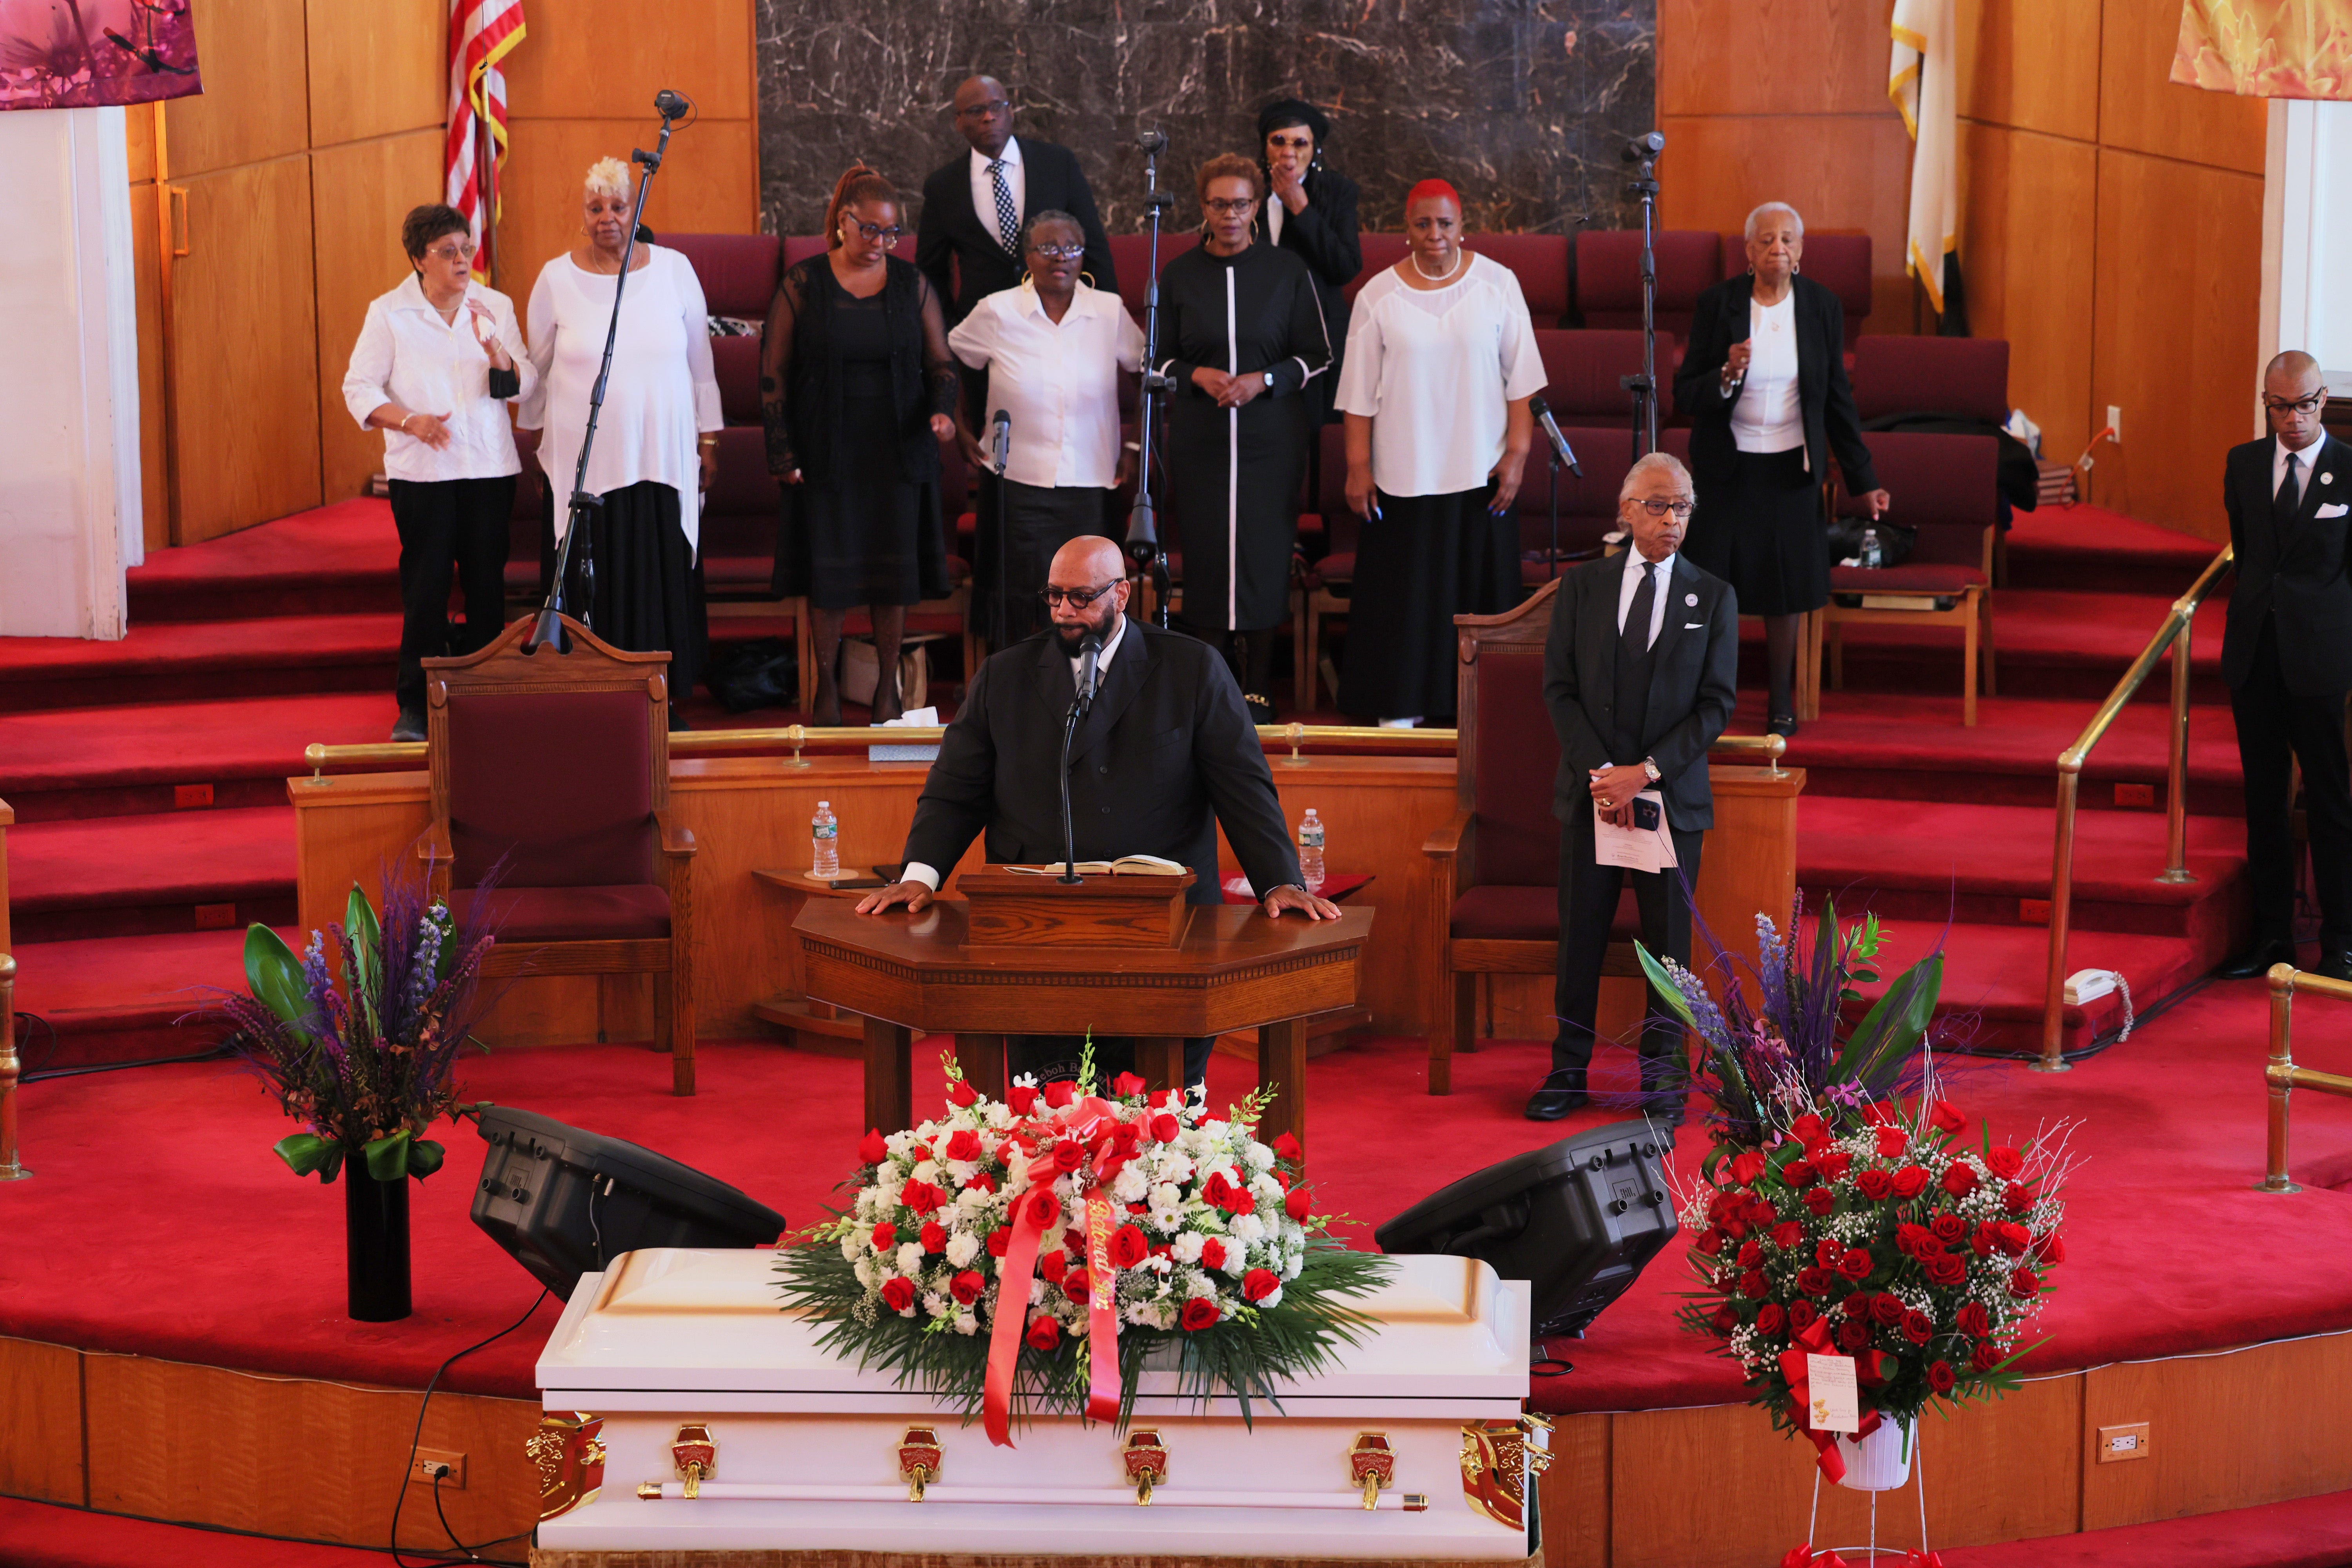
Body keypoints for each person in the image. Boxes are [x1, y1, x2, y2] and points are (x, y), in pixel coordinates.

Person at [856, 536, 1339, 1087]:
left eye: (1081, 597)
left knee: (1161, 1126)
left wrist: (1278, 880)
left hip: (1165, 933)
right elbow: (954, 790)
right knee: (1046, 1119)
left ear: (1123, 595)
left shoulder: (1191, 669)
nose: (1064, 611)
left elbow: (1244, 787)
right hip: (1034, 934)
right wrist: (920, 875)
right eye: (1054, 596)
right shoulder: (1004, 676)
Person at [1527, 452, 1737, 1123]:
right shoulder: (1583, 588)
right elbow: (1559, 689)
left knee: (1669, 952)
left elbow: (1716, 706)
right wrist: (1604, 778)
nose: (1671, 518)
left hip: (1671, 803)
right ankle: (1566, 1074)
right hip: (1592, 801)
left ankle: (1663, 1086)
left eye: (1681, 506)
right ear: (1626, 511)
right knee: (1581, 941)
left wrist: (1643, 774)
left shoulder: (1715, 596)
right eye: (1657, 504)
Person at [517, 157, 720, 730]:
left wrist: (711, 440)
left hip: (662, 455)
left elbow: (700, 365)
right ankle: (595, 696)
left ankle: (662, 698)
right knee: (591, 576)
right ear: (582, 216)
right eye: (596, 208)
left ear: (636, 209)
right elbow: (537, 366)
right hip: (588, 465)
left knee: (657, 573)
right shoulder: (556, 278)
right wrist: (538, 447)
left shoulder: (676, 270)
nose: (608, 218)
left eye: (618, 206)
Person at [1674, 201, 1887, 737]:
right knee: (1710, 587)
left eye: (1788, 239)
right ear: (1747, 252)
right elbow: (1686, 394)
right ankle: (1708, 699)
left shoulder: (1821, 307)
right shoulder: (1717, 305)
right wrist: (1725, 373)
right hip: (1728, 468)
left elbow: (1836, 401)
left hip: (1791, 469)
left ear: (1801, 250)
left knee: (1784, 589)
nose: (1778, 249)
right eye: (1766, 240)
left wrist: (1864, 481)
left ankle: (1779, 698)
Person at [1335, 179, 1542, 726]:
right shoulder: (1377, 296)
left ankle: (1480, 714)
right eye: (1424, 224)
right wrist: (1358, 468)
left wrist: (1517, 457)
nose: (1435, 235)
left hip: (1481, 473)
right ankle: (1398, 709)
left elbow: (1522, 382)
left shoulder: (1499, 284)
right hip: (1402, 475)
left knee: (1477, 601)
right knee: (1405, 599)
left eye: (1445, 224)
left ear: (1462, 225)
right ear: (1407, 229)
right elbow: (1357, 394)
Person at [763, 166, 960, 725]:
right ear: (843, 222)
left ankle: (887, 691)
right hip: (826, 452)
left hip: (896, 453)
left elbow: (941, 363)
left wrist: (942, 413)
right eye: (869, 230)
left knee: (891, 578)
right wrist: (782, 454)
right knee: (830, 577)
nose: (880, 243)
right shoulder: (803, 283)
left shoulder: (911, 283)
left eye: (891, 233)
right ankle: (825, 688)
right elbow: (773, 374)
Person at [343, 203, 536, 742]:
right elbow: (358, 388)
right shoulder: (389, 313)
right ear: (417, 259)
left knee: (485, 585)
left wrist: (497, 350)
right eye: (448, 252)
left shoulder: (494, 304)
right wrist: (410, 421)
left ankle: (485, 694)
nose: (462, 261)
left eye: (467, 249)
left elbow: (526, 385)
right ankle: (416, 705)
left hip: (489, 467)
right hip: (424, 474)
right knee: (426, 587)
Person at [1155, 153, 1332, 724]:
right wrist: (1193, 374)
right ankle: (1213, 681)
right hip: (1202, 440)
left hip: (1270, 440)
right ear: (1202, 207)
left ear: (1257, 207)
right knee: (1207, 555)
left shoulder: (1286, 271)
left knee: (1263, 552)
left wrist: (1266, 380)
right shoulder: (1179, 275)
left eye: (1240, 204)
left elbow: (1319, 355)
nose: (1229, 214)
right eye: (1217, 204)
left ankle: (1256, 685)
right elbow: (1154, 360)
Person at [948, 211, 1145, 646]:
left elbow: (1144, 376)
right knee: (1021, 594)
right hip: (1017, 477)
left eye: (1071, 248)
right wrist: (962, 425)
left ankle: (1084, 682)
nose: (1061, 258)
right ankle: (1018, 687)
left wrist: (1134, 443)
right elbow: (950, 359)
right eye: (1048, 248)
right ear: (1028, 257)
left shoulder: (1108, 310)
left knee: (1087, 594)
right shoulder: (997, 310)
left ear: (1083, 257)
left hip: (1092, 479)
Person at [2216, 351, 2352, 982]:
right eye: (2279, 406)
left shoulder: (2349, 470)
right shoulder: (2244, 464)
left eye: (2303, 404)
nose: (2292, 418)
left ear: (2323, 400)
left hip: (2321, 659)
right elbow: (2250, 556)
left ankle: (2341, 943)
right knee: (2264, 801)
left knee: (2329, 802)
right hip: (2256, 656)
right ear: (2265, 402)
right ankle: (2271, 940)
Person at [916, 74, 1116, 326]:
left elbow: (1094, 247)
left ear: (1011, 111)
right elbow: (931, 271)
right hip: (984, 330)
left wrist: (1108, 318)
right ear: (958, 121)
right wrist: (948, 332)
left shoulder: (1056, 164)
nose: (989, 117)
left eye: (997, 106)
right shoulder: (943, 186)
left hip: (1059, 321)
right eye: (977, 111)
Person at [1258, 98, 1362, 431]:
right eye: (1279, 141)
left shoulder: (1337, 192)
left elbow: (1345, 267)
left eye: (1300, 143)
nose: (1289, 152)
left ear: (1315, 149)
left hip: (1322, 332)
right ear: (1265, 148)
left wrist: (1302, 210)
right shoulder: (1246, 192)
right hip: (1259, 332)